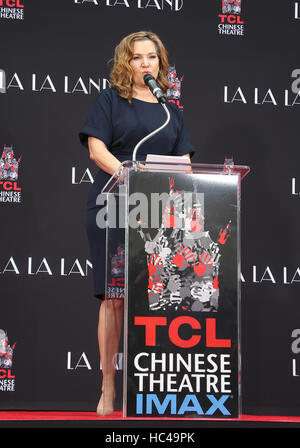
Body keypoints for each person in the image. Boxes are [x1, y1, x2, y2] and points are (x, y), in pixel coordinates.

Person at [79, 30, 195, 416]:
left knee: (159, 298)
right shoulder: (111, 99)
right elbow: (97, 149)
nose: (146, 64)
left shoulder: (170, 111)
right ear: (125, 63)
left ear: (161, 64)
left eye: (152, 57)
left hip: (159, 211)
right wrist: (129, 174)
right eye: (137, 57)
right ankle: (109, 388)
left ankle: (149, 390)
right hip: (114, 205)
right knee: (114, 299)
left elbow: (187, 168)